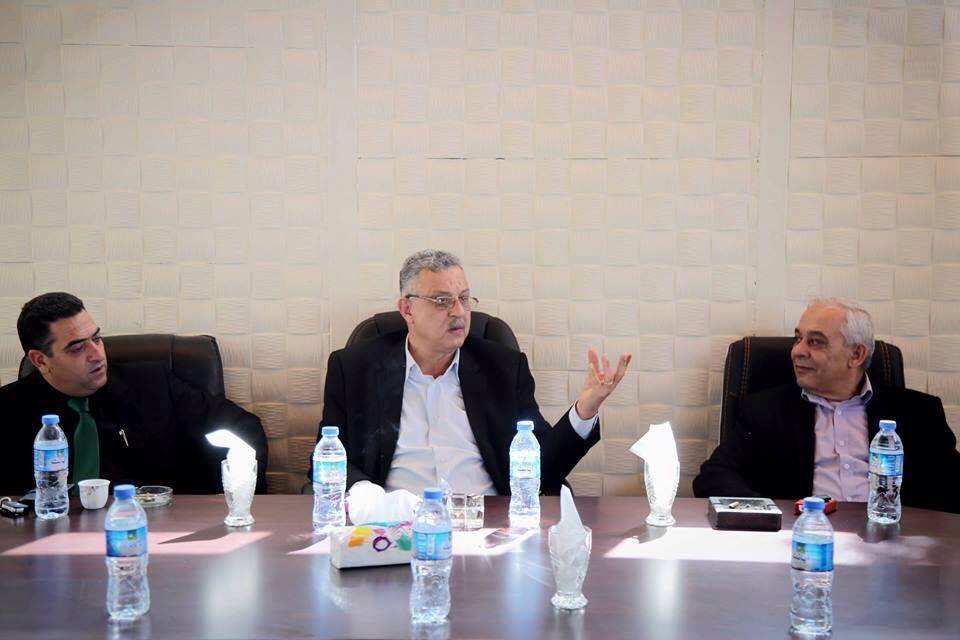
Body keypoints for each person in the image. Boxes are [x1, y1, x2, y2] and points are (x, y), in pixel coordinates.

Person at [314, 249, 632, 496]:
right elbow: (328, 459)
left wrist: (585, 410)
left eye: (464, 299)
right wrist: (368, 497)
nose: (459, 312)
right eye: (442, 301)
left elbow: (542, 468)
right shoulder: (354, 368)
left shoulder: (502, 368)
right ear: (407, 309)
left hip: (486, 524)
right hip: (394, 526)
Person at [694, 298, 960, 513]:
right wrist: (773, 517)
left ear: (856, 354)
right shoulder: (764, 411)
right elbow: (714, 477)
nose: (797, 351)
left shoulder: (918, 414)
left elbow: (952, 491)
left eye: (815, 342)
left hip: (890, 546)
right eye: (798, 338)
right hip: (802, 539)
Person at [0, 292, 268, 496]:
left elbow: (244, 429)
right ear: (40, 360)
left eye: (96, 338)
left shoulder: (155, 386)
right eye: (78, 348)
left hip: (144, 526)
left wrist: (224, 498)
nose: (97, 354)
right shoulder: (8, 409)